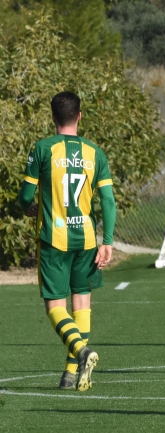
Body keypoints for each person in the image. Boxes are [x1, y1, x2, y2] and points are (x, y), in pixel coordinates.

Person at [17, 91, 116, 392]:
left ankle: (82, 352)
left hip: (54, 239)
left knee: (54, 307)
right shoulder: (95, 152)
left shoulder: (42, 148)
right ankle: (69, 375)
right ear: (80, 116)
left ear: (52, 117)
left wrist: (27, 207)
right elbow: (108, 201)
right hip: (86, 239)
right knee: (82, 303)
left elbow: (24, 196)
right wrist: (107, 240)